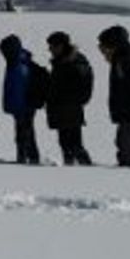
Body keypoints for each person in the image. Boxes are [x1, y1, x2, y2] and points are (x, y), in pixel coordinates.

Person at [98, 25, 130, 167]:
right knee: (123, 141)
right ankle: (127, 172)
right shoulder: (125, 58)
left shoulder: (124, 60)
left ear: (113, 45)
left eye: (103, 46)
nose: (102, 51)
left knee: (128, 143)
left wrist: (127, 111)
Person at [46, 32, 93, 165]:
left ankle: (87, 170)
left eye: (52, 46)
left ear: (61, 46)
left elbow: (80, 89)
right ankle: (70, 169)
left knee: (74, 145)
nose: (50, 49)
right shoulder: (63, 62)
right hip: (62, 110)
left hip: (70, 110)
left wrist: (63, 98)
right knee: (65, 144)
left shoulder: (74, 62)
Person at [0, 35, 41, 164]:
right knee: (25, 134)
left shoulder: (19, 65)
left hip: (24, 106)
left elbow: (18, 89)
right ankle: (28, 157)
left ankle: (26, 158)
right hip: (22, 106)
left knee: (24, 135)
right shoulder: (16, 62)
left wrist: (17, 107)